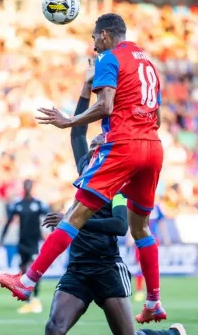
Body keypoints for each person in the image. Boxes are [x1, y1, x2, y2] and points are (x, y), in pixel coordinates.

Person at [0, 13, 166, 324]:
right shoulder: (148, 65)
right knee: (141, 228)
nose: (93, 43)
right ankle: (153, 301)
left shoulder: (110, 58)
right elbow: (157, 118)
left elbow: (107, 106)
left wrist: (68, 120)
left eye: (93, 38)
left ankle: (27, 282)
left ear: (103, 36)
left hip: (124, 146)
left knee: (74, 215)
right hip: (153, 147)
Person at [42, 60, 134, 334]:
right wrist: (86, 85)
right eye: (94, 141)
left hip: (107, 267)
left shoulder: (119, 184)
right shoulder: (85, 168)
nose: (94, 141)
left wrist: (74, 221)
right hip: (78, 267)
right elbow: (77, 131)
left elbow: (120, 226)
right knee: (54, 329)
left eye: (101, 140)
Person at [0, 179, 49, 314]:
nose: (27, 187)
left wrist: (53, 232)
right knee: (23, 272)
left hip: (34, 242)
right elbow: (9, 222)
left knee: (35, 269)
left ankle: (36, 299)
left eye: (29, 185)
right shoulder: (18, 204)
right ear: (23, 187)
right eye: (25, 185)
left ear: (32, 187)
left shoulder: (38, 204)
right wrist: (1, 240)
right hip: (22, 242)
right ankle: (27, 301)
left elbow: (49, 218)